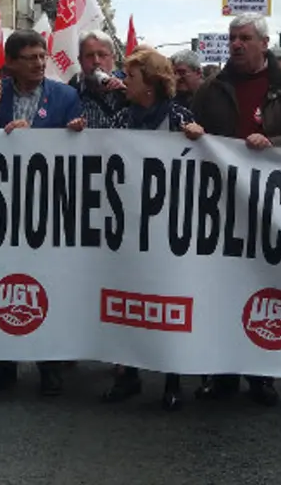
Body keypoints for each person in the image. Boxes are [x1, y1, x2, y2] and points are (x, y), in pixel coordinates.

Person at [188, 13, 281, 406]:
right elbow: (191, 128)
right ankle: (220, 370)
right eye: (233, 37)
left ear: (264, 43)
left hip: (270, 206)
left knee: (266, 286)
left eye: (245, 38)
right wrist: (194, 134)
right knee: (221, 287)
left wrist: (274, 143)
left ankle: (261, 372)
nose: (236, 44)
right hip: (221, 204)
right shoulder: (212, 88)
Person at [71, 49, 204, 410]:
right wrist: (78, 136)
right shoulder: (122, 118)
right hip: (128, 226)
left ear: (150, 83)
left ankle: (172, 378)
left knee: (168, 297)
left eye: (130, 77)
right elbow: (99, 156)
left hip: (168, 228)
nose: (123, 82)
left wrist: (200, 139)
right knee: (127, 294)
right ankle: (128, 374)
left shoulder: (179, 119)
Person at [0, 30, 83, 397]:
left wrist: (43, 134)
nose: (39, 63)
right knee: (2, 281)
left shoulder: (66, 96)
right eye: (30, 58)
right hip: (1, 206)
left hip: (48, 205)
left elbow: (76, 146)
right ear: (10, 63)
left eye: (42, 56)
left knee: (46, 281)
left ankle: (48, 364)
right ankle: (4, 364)